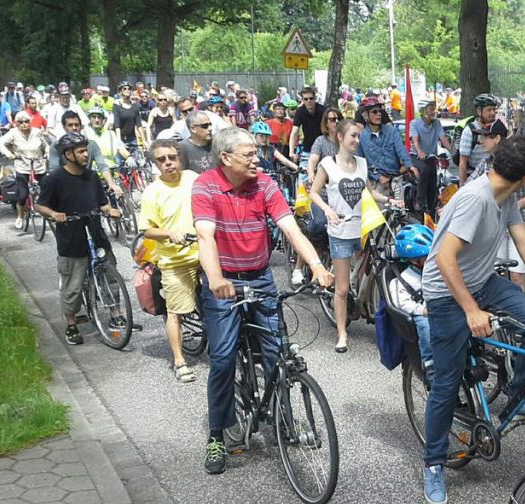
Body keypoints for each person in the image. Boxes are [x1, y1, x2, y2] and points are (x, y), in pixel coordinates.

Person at [419, 137, 525, 504]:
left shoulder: (505, 197)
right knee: (446, 381)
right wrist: (471, 310)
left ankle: (517, 395)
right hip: (446, 290)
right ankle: (434, 463)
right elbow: (444, 259)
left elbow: (523, 241)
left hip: (482, 280)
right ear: (524, 178)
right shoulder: (476, 198)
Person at [192, 127, 333, 475]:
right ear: (226, 158)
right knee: (223, 358)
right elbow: (205, 237)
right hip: (224, 281)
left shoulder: (265, 185)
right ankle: (216, 436)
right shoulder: (206, 185)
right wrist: (215, 280)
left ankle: (284, 419)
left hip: (259, 277)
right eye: (249, 154)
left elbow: (290, 229)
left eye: (256, 152)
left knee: (279, 352)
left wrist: (316, 266)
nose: (257, 159)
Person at [307, 119, 397, 352]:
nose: (357, 140)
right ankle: (342, 333)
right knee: (342, 288)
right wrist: (327, 210)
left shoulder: (362, 164)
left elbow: (368, 191)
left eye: (359, 136)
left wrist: (389, 200)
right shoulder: (328, 163)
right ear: (340, 137)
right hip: (340, 231)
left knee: (365, 271)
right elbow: (314, 193)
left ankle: (363, 309)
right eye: (353, 136)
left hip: (363, 229)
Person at [35, 133, 125, 346]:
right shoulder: (55, 179)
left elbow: (101, 203)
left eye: (87, 150)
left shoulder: (92, 176)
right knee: (73, 284)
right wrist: (54, 214)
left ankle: (115, 313)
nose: (86, 154)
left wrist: (110, 210)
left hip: (96, 234)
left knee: (110, 276)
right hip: (71, 238)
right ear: (68, 154)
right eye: (82, 151)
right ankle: (71, 324)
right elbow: (40, 205)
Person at [138, 140, 202, 382]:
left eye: (172, 157)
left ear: (180, 158)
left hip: (204, 251)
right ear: (155, 164)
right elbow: (147, 230)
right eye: (162, 159)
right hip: (176, 260)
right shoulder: (152, 193)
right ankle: (179, 360)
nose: (168, 163)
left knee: (224, 300)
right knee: (175, 312)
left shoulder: (192, 178)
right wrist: (169, 233)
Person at [465, 120, 525, 289]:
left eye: (486, 137)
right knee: (497, 274)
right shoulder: (486, 163)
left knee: (517, 276)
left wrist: (515, 206)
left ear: (497, 139)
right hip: (496, 228)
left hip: (520, 225)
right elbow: (469, 185)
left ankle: (520, 310)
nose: (481, 142)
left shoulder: (519, 160)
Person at [388, 224, 436, 383]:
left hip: (438, 308)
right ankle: (430, 364)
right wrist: (420, 310)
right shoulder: (405, 279)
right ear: (415, 260)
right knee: (426, 326)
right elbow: (401, 303)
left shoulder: (433, 272)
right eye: (427, 256)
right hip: (421, 313)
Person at [356, 97, 416, 201]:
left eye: (380, 111)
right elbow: (361, 164)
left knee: (399, 211)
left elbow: (401, 150)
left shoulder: (391, 131)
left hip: (396, 179)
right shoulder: (361, 138)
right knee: (381, 215)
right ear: (366, 115)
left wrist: (410, 165)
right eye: (374, 112)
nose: (379, 114)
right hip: (376, 184)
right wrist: (377, 177)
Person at [49, 111, 122, 195]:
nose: (74, 128)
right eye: (70, 125)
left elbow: (102, 165)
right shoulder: (56, 146)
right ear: (64, 127)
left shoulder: (91, 144)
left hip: (86, 184)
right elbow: (53, 169)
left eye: (76, 125)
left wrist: (111, 183)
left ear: (81, 126)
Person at [0, 111, 48, 229]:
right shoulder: (13, 133)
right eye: (20, 122)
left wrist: (46, 155)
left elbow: (46, 146)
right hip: (22, 165)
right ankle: (20, 216)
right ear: (17, 123)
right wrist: (9, 154)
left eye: (26, 122)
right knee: (22, 194)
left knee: (48, 187)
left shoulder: (37, 132)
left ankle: (48, 210)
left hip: (38, 164)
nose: (24, 124)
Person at [409, 100, 453, 216]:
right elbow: (415, 140)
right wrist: (419, 152)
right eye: (431, 109)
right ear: (423, 110)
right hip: (416, 157)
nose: (434, 111)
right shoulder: (414, 123)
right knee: (425, 170)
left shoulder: (436, 123)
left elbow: (443, 138)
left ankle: (432, 210)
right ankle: (420, 201)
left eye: (434, 108)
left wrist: (453, 152)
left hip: (431, 158)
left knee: (433, 184)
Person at [457, 93, 500, 185]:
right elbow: (463, 163)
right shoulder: (469, 131)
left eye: (494, 110)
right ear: (479, 111)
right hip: (474, 178)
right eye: (489, 110)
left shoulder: (497, 128)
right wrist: (463, 185)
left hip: (493, 178)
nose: (492, 113)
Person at [289, 87, 326, 163]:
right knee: (302, 173)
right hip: (308, 149)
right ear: (302, 100)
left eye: (311, 98)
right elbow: (294, 132)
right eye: (306, 99)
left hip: (324, 148)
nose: (309, 101)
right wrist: (291, 152)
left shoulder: (323, 110)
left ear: (315, 98)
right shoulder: (300, 112)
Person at [306, 108, 342, 182]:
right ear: (326, 123)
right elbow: (312, 160)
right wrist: (311, 173)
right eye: (333, 119)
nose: (337, 121)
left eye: (339, 119)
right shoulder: (320, 141)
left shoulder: (346, 140)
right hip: (325, 185)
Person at [112, 82, 144, 152]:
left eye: (129, 89)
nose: (127, 90)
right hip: (121, 138)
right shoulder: (117, 106)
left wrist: (144, 141)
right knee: (120, 161)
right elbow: (117, 125)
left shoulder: (135, 106)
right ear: (120, 92)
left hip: (132, 139)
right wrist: (119, 141)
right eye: (125, 89)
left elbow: (139, 125)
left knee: (138, 159)